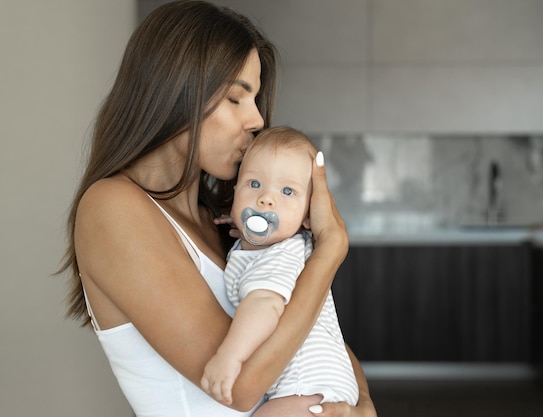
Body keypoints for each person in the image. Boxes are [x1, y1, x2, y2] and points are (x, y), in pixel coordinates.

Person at [58, 1, 377, 417]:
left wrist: (363, 405)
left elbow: (317, 332)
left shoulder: (225, 223)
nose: (257, 120)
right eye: (235, 98)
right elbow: (240, 388)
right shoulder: (112, 208)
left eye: (256, 99)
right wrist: (330, 251)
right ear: (175, 89)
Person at [201, 127, 359, 416]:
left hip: (307, 385)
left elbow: (265, 305)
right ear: (235, 193)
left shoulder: (280, 254)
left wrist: (229, 356)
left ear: (308, 216)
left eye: (288, 191)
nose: (266, 200)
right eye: (254, 183)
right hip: (321, 385)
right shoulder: (268, 248)